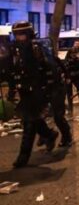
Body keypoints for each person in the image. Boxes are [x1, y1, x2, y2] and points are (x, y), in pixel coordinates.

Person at [4, 22, 60, 167]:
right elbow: (8, 69)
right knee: (32, 120)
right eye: (16, 35)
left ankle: (23, 157)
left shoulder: (37, 49)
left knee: (29, 123)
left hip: (38, 91)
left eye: (22, 34)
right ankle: (49, 134)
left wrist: (48, 91)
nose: (19, 38)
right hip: (23, 91)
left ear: (29, 34)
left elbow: (50, 69)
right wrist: (11, 88)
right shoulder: (13, 49)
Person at [64, 40, 79, 114]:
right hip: (69, 76)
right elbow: (65, 65)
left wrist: (76, 73)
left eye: (78, 44)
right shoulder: (69, 56)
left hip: (78, 77)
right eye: (75, 44)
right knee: (69, 92)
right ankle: (70, 107)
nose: (77, 45)